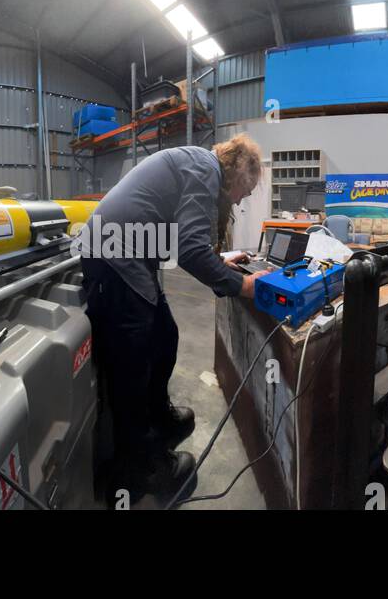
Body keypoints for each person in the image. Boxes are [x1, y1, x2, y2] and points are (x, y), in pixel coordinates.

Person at [76, 134, 267, 503]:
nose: (242, 199)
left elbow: (177, 240)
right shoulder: (204, 169)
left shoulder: (196, 164)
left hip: (127, 258)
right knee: (133, 364)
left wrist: (221, 265)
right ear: (238, 172)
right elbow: (192, 251)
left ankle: (158, 418)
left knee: (164, 336)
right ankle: (138, 471)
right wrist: (243, 285)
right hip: (114, 260)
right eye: (247, 189)